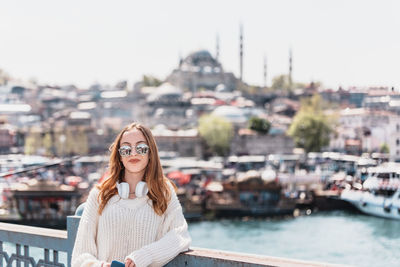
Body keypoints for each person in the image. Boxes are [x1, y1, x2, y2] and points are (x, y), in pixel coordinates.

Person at [71, 122, 191, 267]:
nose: (133, 153)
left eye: (140, 148)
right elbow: (80, 256)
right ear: (119, 156)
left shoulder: (164, 193)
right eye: (126, 149)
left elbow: (180, 235)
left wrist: (145, 256)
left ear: (150, 153)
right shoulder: (99, 195)